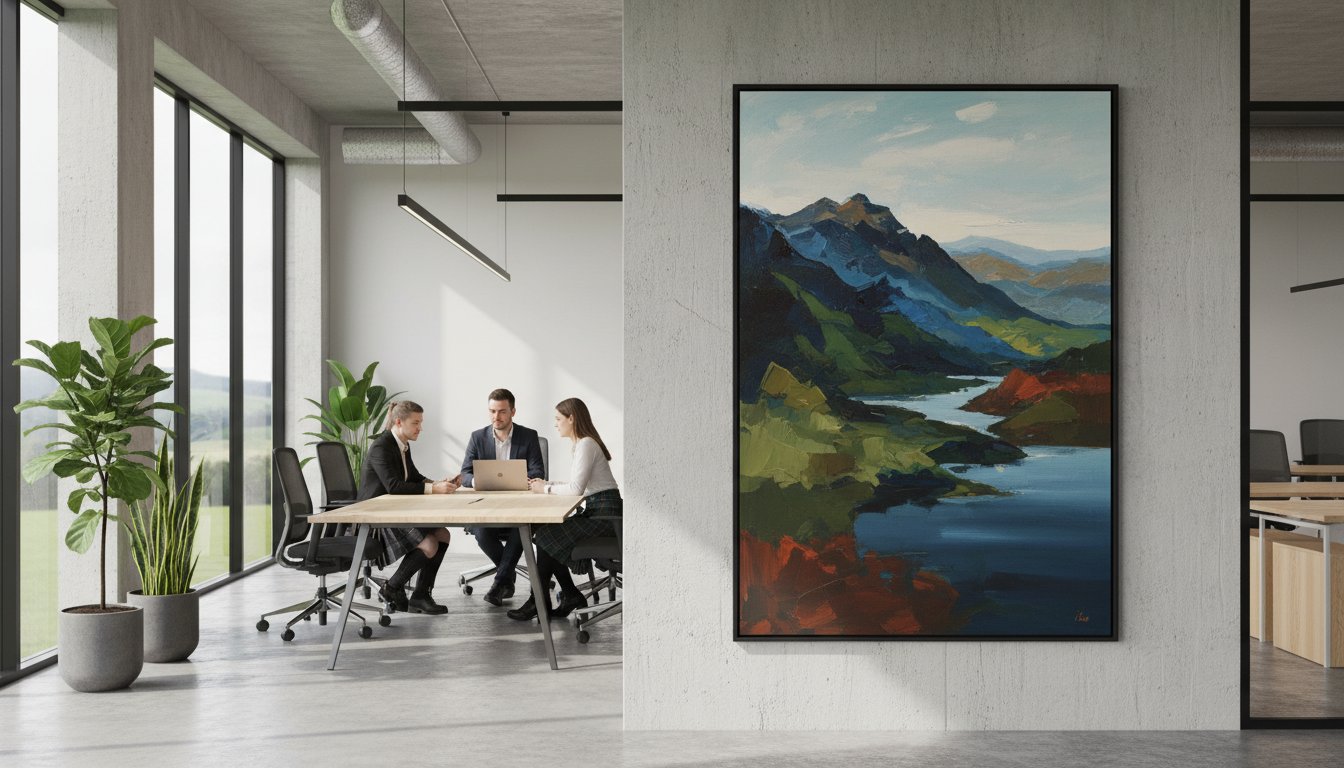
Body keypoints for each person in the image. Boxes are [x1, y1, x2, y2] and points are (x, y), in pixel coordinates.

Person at [508, 397, 621, 622]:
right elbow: (579, 486)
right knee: (547, 534)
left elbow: (576, 489)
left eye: (559, 419)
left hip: (604, 515)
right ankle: (565, 596)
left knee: (545, 536)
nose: (555, 423)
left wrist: (545, 490)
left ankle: (542, 600)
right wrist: (547, 484)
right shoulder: (582, 444)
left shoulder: (586, 444)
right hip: (600, 510)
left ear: (572, 419)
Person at [359, 400, 459, 615]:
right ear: (398, 422)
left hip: (395, 511)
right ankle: (391, 588)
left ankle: (421, 595)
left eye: (420, 423)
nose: (420, 428)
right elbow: (394, 486)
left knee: (443, 534)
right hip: (377, 518)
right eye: (415, 423)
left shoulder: (402, 445)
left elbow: (413, 477)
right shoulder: (381, 447)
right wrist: (434, 490)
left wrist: (439, 484)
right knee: (430, 544)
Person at [459, 388, 547, 606]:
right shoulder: (478, 437)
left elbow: (538, 471)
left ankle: (500, 582)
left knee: (521, 526)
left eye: (502, 411)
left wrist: (520, 479)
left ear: (513, 412)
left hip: (520, 505)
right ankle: (507, 574)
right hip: (486, 506)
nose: (496, 417)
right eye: (492, 411)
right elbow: (465, 474)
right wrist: (476, 481)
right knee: (480, 530)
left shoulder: (528, 436)